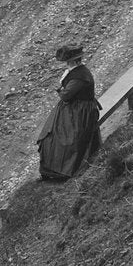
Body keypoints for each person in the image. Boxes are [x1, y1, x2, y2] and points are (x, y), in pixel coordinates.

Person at [37, 44, 102, 181]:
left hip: (81, 112)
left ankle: (62, 171)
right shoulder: (78, 72)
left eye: (67, 61)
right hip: (74, 109)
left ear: (73, 61)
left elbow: (66, 95)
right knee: (50, 135)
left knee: (63, 139)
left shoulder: (80, 76)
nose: (66, 64)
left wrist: (59, 89)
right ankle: (52, 170)